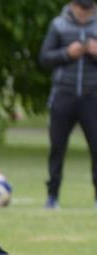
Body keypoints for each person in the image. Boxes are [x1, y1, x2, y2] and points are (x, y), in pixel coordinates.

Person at [40, 0, 97, 209]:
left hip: (92, 97)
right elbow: (44, 58)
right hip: (63, 96)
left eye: (88, 12)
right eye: (81, 12)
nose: (84, 17)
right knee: (57, 147)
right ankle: (52, 196)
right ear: (72, 6)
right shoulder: (58, 25)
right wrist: (66, 53)